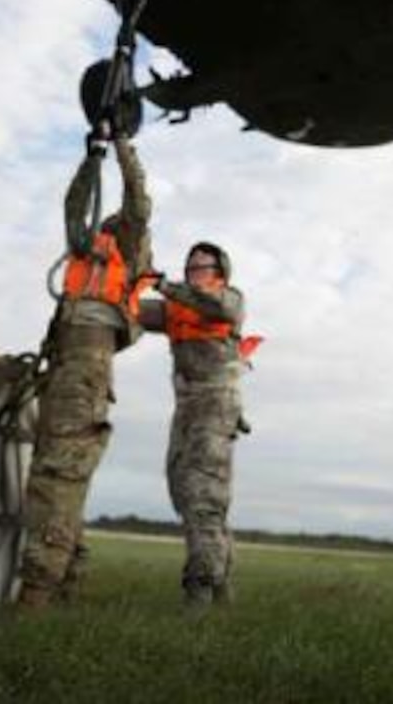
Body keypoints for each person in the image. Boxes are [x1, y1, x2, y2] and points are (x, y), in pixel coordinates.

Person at [17, 132, 152, 608]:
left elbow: (137, 199)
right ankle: (66, 586)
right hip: (64, 357)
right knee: (53, 471)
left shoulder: (131, 243)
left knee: (58, 474)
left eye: (114, 221)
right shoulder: (85, 243)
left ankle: (36, 595)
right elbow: (76, 202)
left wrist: (121, 147)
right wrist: (90, 154)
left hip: (87, 360)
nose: (107, 223)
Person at [140, 242, 248, 607]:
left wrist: (167, 286)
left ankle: (199, 594)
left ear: (221, 273)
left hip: (216, 404)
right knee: (185, 493)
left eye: (204, 267)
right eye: (191, 267)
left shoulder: (229, 298)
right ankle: (220, 588)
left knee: (203, 497)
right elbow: (131, 312)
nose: (196, 272)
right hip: (186, 410)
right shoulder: (175, 308)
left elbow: (219, 308)